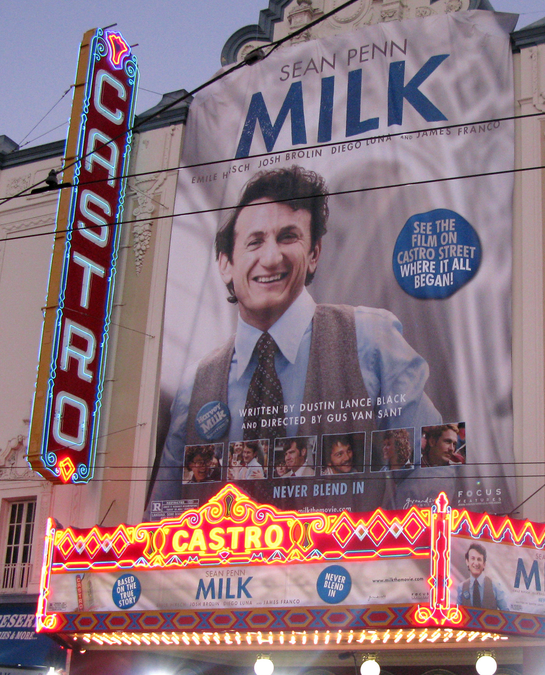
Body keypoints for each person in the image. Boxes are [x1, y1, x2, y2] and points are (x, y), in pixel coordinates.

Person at [151, 166, 442, 507]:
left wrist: (396, 553)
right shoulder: (196, 384)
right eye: (255, 241)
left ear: (314, 254)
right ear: (226, 263)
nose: (272, 258)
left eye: (288, 237)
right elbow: (163, 513)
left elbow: (432, 458)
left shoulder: (370, 338)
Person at [457, 543, 504, 610]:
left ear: (484, 564)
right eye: (473, 559)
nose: (476, 563)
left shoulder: (495, 586)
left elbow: (506, 612)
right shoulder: (461, 587)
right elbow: (457, 612)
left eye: (479, 559)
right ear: (467, 562)